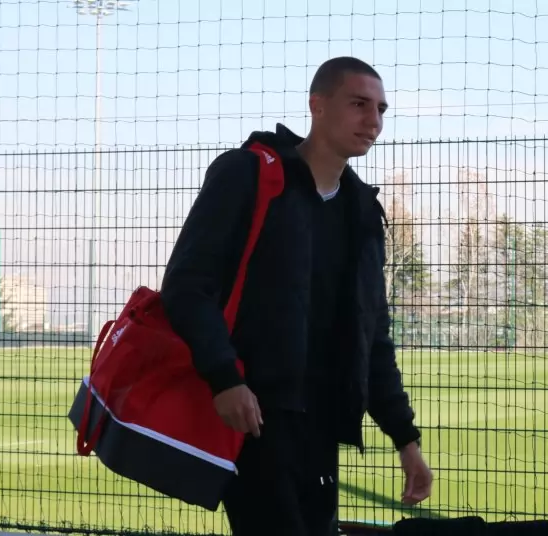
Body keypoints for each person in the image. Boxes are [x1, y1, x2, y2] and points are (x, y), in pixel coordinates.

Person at [159, 56, 433, 536]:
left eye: (381, 109)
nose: (374, 121)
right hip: (254, 421)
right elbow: (186, 285)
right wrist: (225, 380)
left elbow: (372, 337)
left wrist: (405, 440)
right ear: (317, 105)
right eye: (359, 104)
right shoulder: (248, 175)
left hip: (323, 426)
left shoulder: (362, 212)